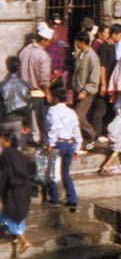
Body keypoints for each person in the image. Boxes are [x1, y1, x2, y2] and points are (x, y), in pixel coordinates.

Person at [45, 81, 80, 210]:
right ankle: (72, 198)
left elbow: (53, 128)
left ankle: (55, 198)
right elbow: (76, 130)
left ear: (55, 98)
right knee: (66, 173)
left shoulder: (52, 110)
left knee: (54, 173)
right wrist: (77, 147)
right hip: (70, 144)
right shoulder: (71, 112)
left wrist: (50, 143)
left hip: (58, 143)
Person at [19, 23, 53, 145]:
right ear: (42, 40)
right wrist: (48, 94)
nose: (48, 43)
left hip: (23, 91)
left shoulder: (24, 51)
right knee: (41, 120)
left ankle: (21, 145)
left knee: (25, 120)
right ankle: (45, 144)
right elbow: (43, 79)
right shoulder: (43, 55)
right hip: (37, 92)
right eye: (47, 41)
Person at [0, 130, 33, 255]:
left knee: (11, 215)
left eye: (1, 139)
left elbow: (8, 175)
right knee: (11, 214)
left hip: (13, 192)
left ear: (7, 141)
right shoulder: (15, 154)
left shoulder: (7, 155)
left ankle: (23, 240)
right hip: (19, 191)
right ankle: (15, 238)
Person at [71, 32, 100, 149]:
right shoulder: (81, 54)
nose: (76, 44)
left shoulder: (92, 57)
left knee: (79, 116)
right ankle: (82, 138)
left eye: (77, 42)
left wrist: (85, 91)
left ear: (82, 42)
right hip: (78, 90)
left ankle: (91, 135)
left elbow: (94, 78)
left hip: (86, 92)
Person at [98, 101, 121, 175]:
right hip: (119, 141)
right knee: (115, 154)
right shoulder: (119, 119)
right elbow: (111, 128)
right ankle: (105, 167)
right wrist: (114, 139)